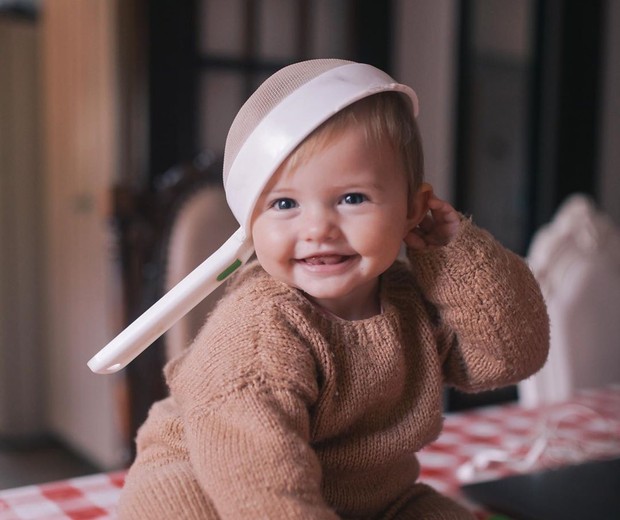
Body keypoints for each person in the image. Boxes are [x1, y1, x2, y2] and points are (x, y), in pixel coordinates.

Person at [117, 59, 549, 519]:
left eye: (352, 198)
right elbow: (261, 486)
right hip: (215, 485)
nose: (319, 229)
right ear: (249, 227)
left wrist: (452, 253)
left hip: (373, 497)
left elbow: (511, 355)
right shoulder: (260, 329)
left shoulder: (411, 301)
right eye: (285, 203)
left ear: (411, 209)